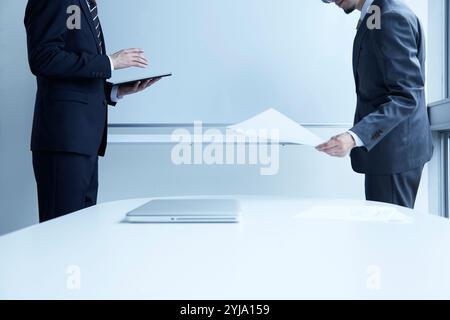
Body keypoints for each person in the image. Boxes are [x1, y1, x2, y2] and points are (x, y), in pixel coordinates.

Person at [24, 0, 160, 222]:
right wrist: (110, 62)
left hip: (84, 143)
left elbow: (73, 76)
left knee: (79, 233)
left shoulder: (83, 5)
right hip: (64, 141)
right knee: (61, 234)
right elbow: (43, 57)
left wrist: (115, 90)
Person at [317, 0, 433, 209]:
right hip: (388, 149)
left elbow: (406, 97)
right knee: (385, 234)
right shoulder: (376, 13)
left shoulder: (389, 17)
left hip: (394, 154)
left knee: (389, 236)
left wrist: (354, 137)